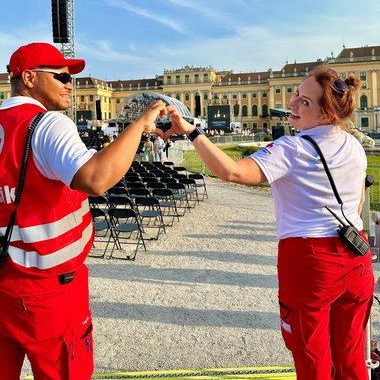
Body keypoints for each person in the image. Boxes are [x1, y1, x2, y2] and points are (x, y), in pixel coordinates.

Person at [164, 65, 374, 380]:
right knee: (352, 356)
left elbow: (231, 172)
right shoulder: (353, 145)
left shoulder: (293, 148)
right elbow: (356, 202)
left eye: (305, 102)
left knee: (312, 359)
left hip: (310, 263)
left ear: (326, 115)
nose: (292, 103)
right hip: (356, 257)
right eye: (296, 95)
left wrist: (192, 131)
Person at [0, 42, 167, 380]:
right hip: (49, 290)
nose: (70, 83)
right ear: (29, 78)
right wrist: (139, 126)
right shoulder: (48, 125)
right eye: (61, 75)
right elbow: (95, 179)